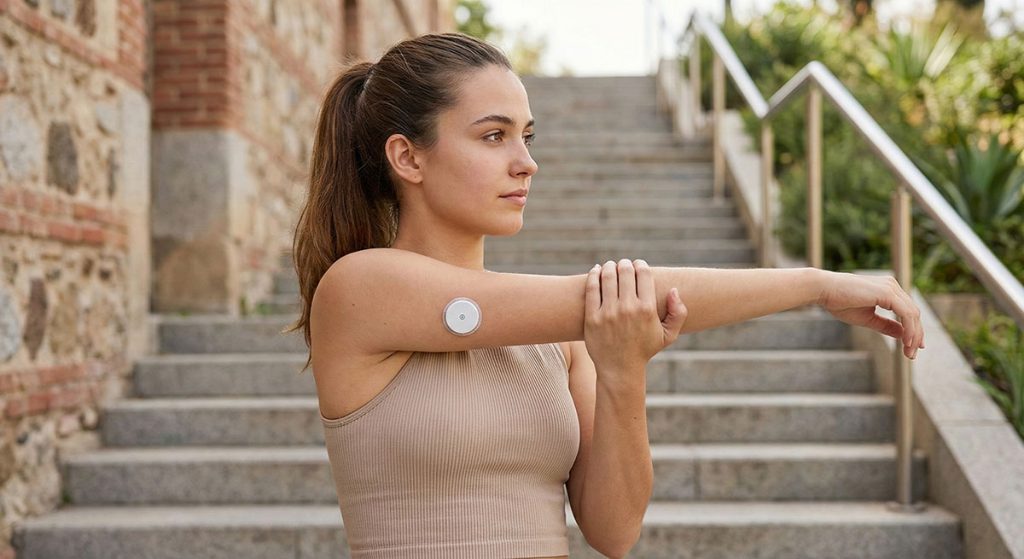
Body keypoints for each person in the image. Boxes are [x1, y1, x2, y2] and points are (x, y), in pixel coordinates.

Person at [284, 32, 925, 559]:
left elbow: (614, 533)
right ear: (408, 157)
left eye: (526, 137)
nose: (526, 163)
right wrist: (812, 285)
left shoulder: (560, 335)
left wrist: (624, 374)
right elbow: (621, 294)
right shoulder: (360, 286)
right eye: (492, 136)